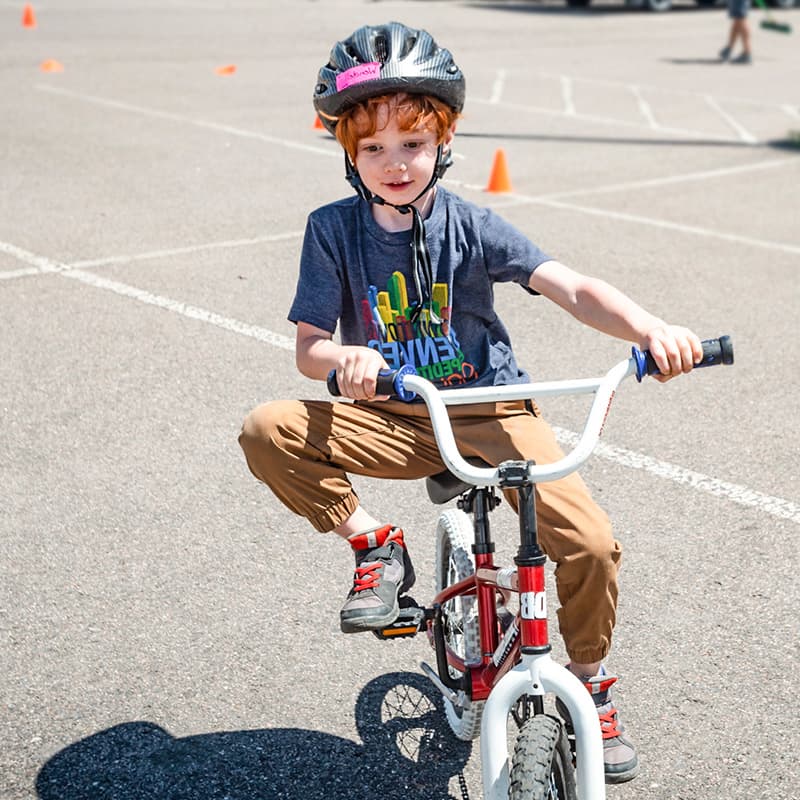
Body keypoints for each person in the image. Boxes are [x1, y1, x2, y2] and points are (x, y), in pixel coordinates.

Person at [238, 21, 703, 784]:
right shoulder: (331, 231)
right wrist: (344, 358)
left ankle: (587, 677)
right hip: (394, 414)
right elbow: (309, 346)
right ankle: (374, 546)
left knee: (588, 545)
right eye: (374, 148)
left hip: (493, 413)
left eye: (411, 144)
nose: (394, 163)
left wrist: (651, 328)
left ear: (443, 139)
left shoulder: (469, 223)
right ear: (348, 153)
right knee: (266, 429)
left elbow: (570, 286)